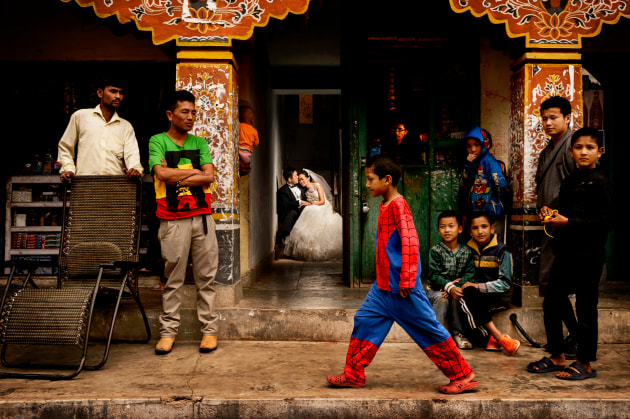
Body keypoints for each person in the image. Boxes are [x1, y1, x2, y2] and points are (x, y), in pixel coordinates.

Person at [327, 155, 478, 395]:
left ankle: (463, 375)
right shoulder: (386, 205)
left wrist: (408, 278)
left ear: (387, 180)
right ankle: (354, 374)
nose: (367, 184)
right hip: (383, 288)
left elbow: (410, 242)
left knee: (428, 329)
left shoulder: (399, 205)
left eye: (370, 179)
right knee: (365, 321)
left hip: (402, 288)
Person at [527, 127, 613, 380]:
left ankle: (584, 363)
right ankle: (557, 356)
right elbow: (564, 211)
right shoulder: (571, 179)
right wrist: (549, 214)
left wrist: (569, 223)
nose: (584, 152)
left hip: (589, 255)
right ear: (572, 152)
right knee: (552, 301)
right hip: (565, 253)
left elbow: (607, 221)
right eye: (578, 147)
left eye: (589, 147)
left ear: (600, 151)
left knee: (586, 307)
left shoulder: (602, 181)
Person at [149, 90, 219, 355]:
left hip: (202, 218)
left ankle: (209, 332)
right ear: (170, 114)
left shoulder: (199, 143)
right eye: (184, 112)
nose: (191, 117)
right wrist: (195, 171)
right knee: (173, 279)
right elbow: (161, 174)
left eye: (193, 112)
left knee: (206, 279)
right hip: (171, 219)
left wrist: (177, 174)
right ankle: (168, 333)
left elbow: (209, 177)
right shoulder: (157, 141)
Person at [535, 95, 579, 358]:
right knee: (553, 288)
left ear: (567, 118)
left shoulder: (573, 148)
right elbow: (546, 189)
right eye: (544, 118)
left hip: (569, 228)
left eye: (553, 117)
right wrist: (542, 207)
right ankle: (574, 337)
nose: (548, 123)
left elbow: (578, 189)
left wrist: (567, 216)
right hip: (551, 225)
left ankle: (575, 338)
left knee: (556, 288)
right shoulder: (546, 152)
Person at [57, 77, 144, 181]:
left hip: (116, 187)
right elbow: (65, 147)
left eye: (121, 93)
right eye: (113, 91)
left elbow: (132, 156)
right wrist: (68, 169)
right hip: (84, 185)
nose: (118, 96)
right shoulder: (80, 117)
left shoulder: (125, 126)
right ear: (100, 93)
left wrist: (134, 169)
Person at [458, 211, 520, 354]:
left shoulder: (502, 251)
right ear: (470, 231)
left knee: (467, 300)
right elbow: (465, 275)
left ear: (492, 228)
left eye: (484, 227)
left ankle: (494, 337)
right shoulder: (467, 250)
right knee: (467, 293)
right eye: (475, 228)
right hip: (476, 294)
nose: (480, 231)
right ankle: (497, 338)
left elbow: (505, 283)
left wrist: (478, 286)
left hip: (498, 296)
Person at [425, 210, 476, 350]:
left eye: (451, 226)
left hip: (456, 290)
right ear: (438, 230)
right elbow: (434, 276)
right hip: (436, 291)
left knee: (457, 297)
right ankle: (437, 336)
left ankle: (459, 334)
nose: (447, 230)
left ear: (459, 229)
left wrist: (456, 287)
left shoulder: (467, 251)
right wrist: (449, 287)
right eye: (443, 227)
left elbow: (470, 274)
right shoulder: (436, 251)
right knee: (442, 298)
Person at [459, 127, 508, 240]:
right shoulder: (471, 163)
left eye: (476, 145)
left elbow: (500, 184)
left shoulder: (489, 161)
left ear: (485, 144)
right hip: (476, 214)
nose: (473, 149)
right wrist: (468, 166)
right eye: (469, 146)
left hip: (493, 214)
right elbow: (463, 186)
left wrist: (501, 204)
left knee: (494, 246)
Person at [283, 169, 342, 261]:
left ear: (308, 178)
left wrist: (311, 205)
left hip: (322, 207)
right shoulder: (304, 191)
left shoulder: (317, 185)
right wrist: (307, 203)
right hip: (311, 208)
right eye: (299, 180)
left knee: (313, 214)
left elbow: (322, 201)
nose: (301, 181)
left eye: (302, 179)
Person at [275, 167, 308, 259]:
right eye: (295, 175)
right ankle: (282, 236)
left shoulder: (301, 187)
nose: (298, 177)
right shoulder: (282, 191)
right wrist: (299, 202)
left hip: (302, 213)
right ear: (289, 179)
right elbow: (285, 204)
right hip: (289, 215)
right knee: (292, 212)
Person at [238, 104, 259, 176]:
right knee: (246, 165)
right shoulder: (254, 131)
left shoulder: (239, 125)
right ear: (252, 120)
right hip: (247, 153)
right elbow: (256, 143)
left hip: (238, 149)